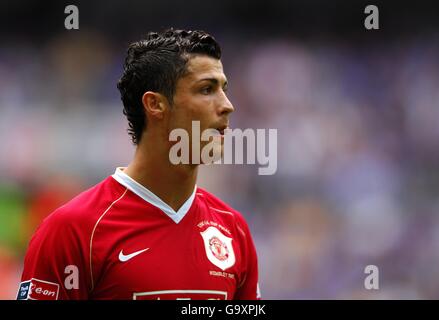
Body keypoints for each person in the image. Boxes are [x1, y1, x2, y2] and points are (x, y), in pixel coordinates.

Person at [17, 28, 261, 300]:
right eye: (206, 89)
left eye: (223, 90)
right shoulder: (73, 229)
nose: (228, 106)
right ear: (155, 104)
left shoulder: (233, 228)